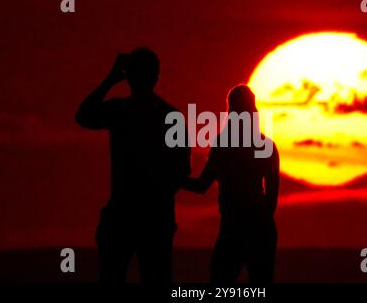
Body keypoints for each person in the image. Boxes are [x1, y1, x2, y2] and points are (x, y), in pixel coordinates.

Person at [75, 48, 191, 284]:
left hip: (123, 215)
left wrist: (110, 79)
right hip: (155, 219)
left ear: (129, 76)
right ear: (157, 77)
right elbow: (182, 170)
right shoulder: (170, 116)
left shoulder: (120, 111)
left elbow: (84, 115)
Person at [183, 85, 279, 284]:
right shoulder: (266, 146)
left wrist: (171, 178)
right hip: (259, 226)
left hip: (233, 226)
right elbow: (271, 200)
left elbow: (201, 186)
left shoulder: (222, 146)